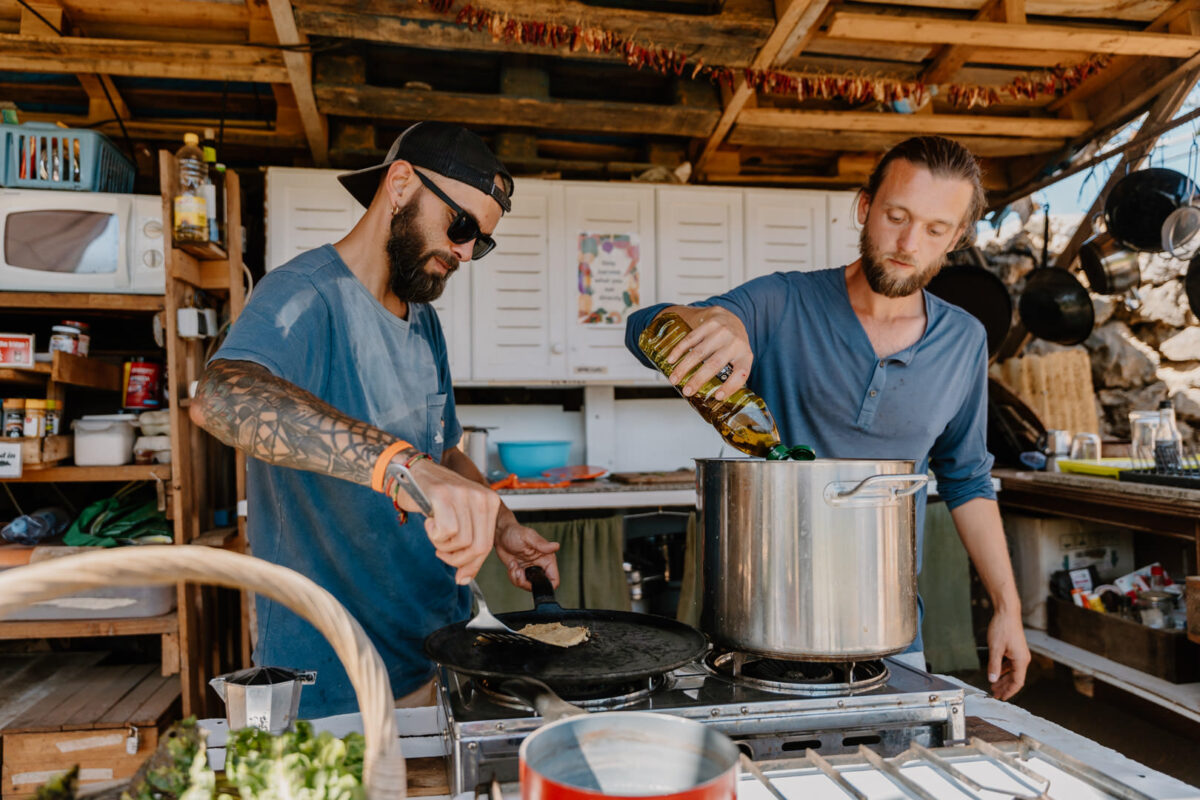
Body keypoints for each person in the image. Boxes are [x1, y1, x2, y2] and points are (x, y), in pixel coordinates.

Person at [624, 136, 1030, 701]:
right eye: (896, 216)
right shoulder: (782, 302)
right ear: (865, 208)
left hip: (888, 630)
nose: (910, 243)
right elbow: (639, 327)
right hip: (760, 628)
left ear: (956, 238)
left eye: (936, 229)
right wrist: (714, 323)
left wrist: (1009, 609)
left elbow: (967, 480)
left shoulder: (963, 340)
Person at [190, 121, 561, 717]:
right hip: (340, 674)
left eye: (481, 242)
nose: (466, 252)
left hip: (441, 649)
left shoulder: (423, 321)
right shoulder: (304, 295)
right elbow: (221, 399)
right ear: (400, 183)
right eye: (462, 226)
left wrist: (501, 528)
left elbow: (442, 453)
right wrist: (398, 466)